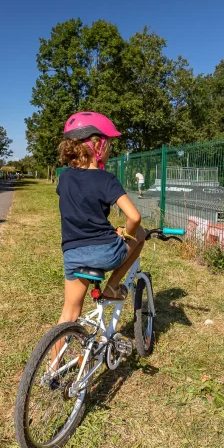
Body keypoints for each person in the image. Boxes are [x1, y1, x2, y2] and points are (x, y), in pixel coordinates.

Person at [56, 111, 146, 329]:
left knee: (69, 313)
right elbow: (134, 216)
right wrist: (126, 233)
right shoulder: (107, 180)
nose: (110, 149)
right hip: (105, 253)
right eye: (109, 144)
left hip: (73, 253)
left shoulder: (65, 177)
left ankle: (52, 363)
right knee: (141, 232)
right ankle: (112, 287)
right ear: (98, 146)